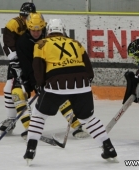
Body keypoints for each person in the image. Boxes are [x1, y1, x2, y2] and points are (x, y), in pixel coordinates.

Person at [23, 18, 118, 164]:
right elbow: (88, 67)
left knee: (39, 116)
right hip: (82, 83)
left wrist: (39, 85)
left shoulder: (41, 44)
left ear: (48, 31)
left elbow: (38, 66)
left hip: (56, 84)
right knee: (88, 119)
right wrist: (84, 83)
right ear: (63, 30)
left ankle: (30, 151)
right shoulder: (76, 43)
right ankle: (109, 148)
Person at [0, 3, 88, 139]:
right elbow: (27, 66)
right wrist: (35, 83)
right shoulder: (22, 41)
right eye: (33, 30)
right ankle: (29, 128)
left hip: (46, 73)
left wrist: (45, 81)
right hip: (26, 72)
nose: (36, 33)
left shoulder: (48, 39)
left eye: (39, 30)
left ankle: (76, 124)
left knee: (58, 93)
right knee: (16, 93)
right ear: (28, 27)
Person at [0, 2, 36, 136]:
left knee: (30, 90)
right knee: (9, 88)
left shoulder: (37, 24)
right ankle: (11, 119)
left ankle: (36, 123)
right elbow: (8, 43)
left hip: (33, 62)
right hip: (18, 62)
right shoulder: (13, 24)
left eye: (26, 16)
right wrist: (15, 59)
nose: (23, 18)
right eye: (22, 15)